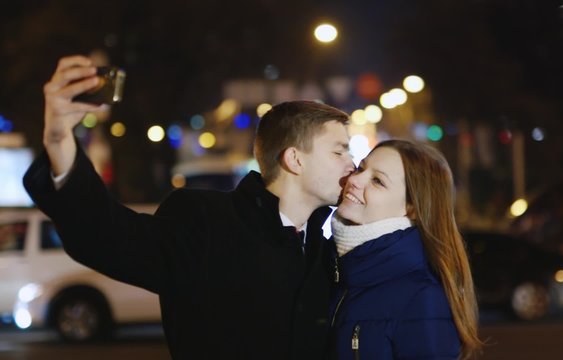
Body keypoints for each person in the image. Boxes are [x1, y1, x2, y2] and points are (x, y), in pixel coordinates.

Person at [23, 55, 355, 359]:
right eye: (339, 151)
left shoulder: (324, 250)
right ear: (295, 159)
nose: (351, 164)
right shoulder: (207, 222)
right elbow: (109, 237)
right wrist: (59, 141)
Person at [328, 139, 483, 359]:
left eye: (378, 181)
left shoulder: (423, 297)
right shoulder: (335, 267)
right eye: (361, 168)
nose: (355, 180)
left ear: (411, 209)